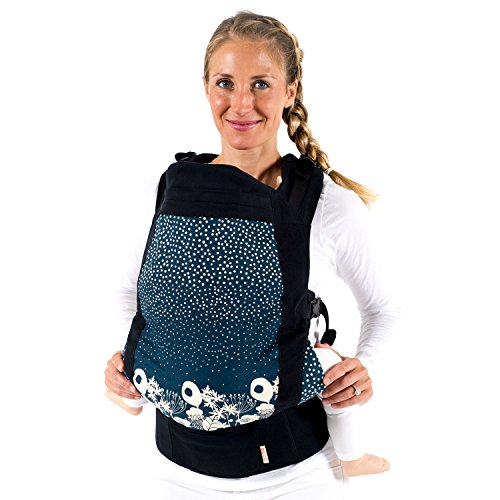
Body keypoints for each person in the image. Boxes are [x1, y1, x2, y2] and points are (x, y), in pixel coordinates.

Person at [104, 10, 399, 498]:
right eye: (226, 83)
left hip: (294, 478)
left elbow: (388, 308)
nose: (241, 103)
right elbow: (125, 291)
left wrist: (366, 368)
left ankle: (353, 457)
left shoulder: (325, 203)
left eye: (261, 84)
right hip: (170, 472)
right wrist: (128, 365)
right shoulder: (172, 192)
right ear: (206, 88)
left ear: (290, 91)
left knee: (325, 361)